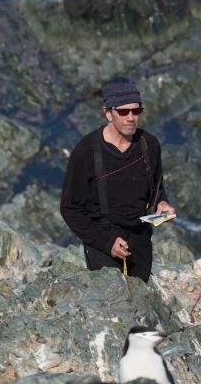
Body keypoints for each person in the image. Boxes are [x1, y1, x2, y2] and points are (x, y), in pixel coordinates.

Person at [60, 77, 175, 281]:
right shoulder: (85, 152)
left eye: (136, 111)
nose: (131, 117)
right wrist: (106, 242)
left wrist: (162, 203)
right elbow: (70, 208)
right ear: (108, 113)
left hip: (140, 239)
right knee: (112, 306)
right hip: (102, 241)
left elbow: (156, 187)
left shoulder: (149, 145)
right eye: (123, 111)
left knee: (140, 304)